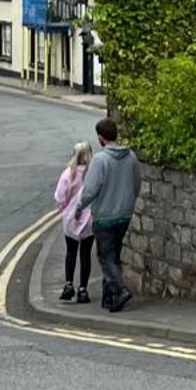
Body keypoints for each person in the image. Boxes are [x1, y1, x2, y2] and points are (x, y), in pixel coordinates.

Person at [77, 117, 141, 312]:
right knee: (113, 255)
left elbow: (90, 190)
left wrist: (79, 207)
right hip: (124, 214)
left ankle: (120, 291)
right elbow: (136, 184)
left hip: (104, 216)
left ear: (100, 138)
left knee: (106, 258)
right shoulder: (131, 157)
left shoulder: (100, 160)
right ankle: (109, 297)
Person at [53, 142, 95, 304]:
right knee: (86, 254)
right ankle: (83, 289)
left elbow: (60, 198)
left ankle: (69, 284)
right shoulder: (93, 173)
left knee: (71, 252)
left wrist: (65, 209)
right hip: (89, 218)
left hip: (71, 218)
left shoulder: (68, 174)